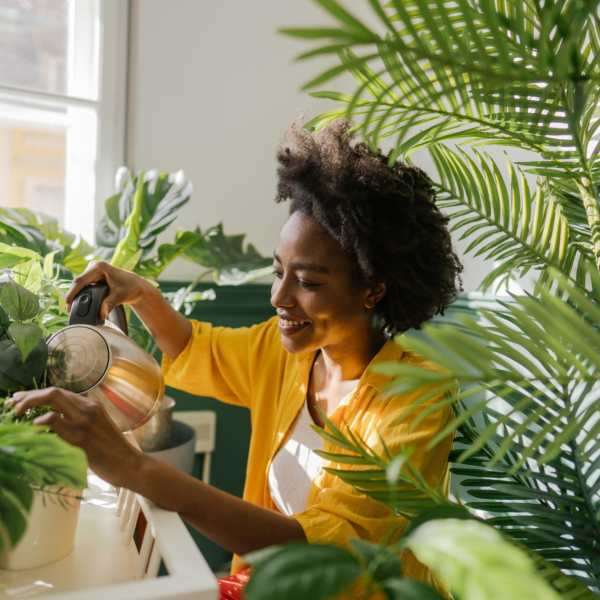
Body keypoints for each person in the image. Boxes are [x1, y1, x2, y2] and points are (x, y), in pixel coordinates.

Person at [10, 121, 462, 598]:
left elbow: (323, 555)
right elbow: (196, 348)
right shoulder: (287, 354)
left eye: (307, 283)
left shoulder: (417, 396)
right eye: (277, 271)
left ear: (373, 288)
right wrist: (142, 293)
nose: (279, 297)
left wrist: (135, 468)